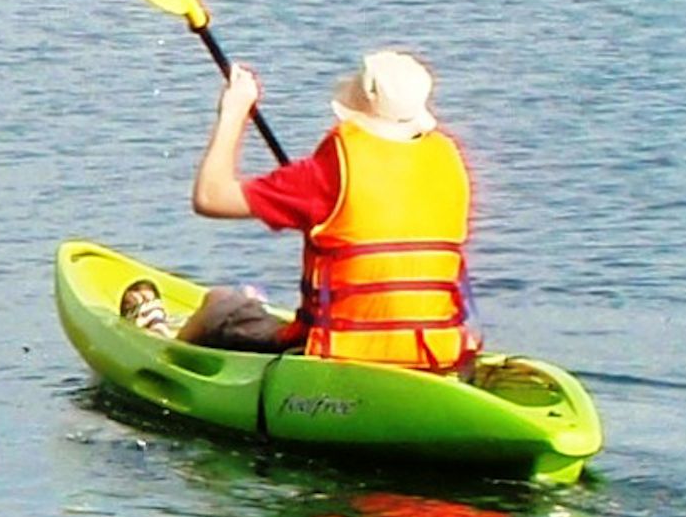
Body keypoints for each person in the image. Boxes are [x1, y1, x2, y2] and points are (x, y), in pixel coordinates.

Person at [177, 50, 476, 371]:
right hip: (436, 353)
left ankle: (168, 354)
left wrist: (233, 112)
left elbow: (210, 197)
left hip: (344, 358)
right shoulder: (448, 161)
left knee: (220, 303)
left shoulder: (329, 172)